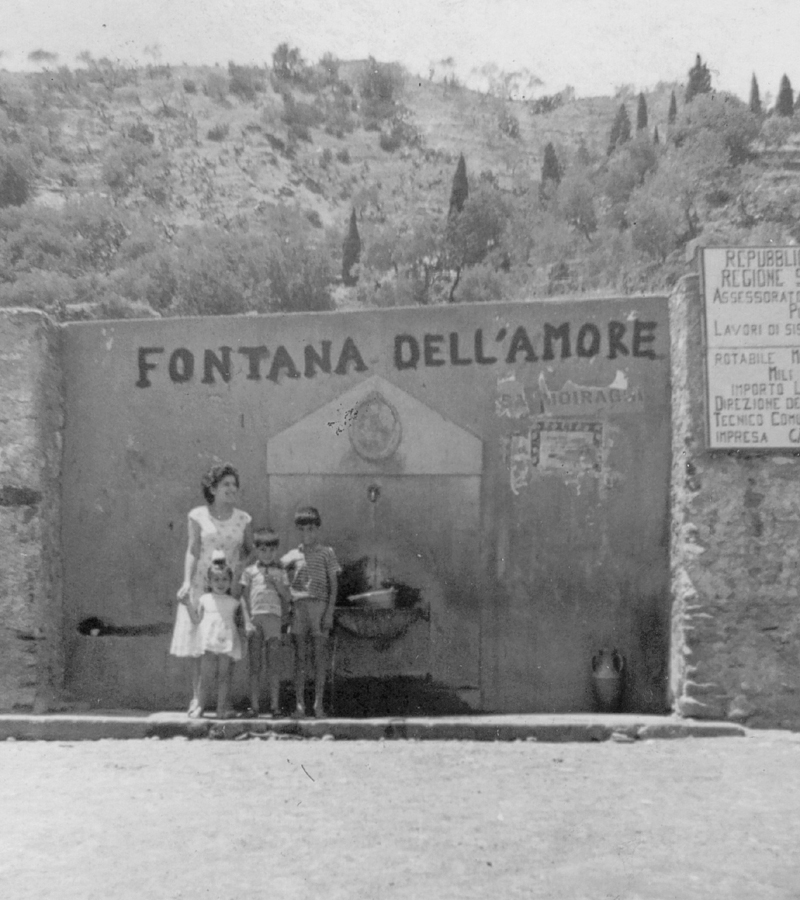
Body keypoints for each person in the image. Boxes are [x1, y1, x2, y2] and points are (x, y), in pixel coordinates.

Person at [170, 462, 253, 717]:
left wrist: (240, 568)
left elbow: (251, 551)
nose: (231, 489)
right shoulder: (198, 516)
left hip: (228, 588)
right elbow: (193, 550)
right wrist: (186, 581)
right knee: (200, 643)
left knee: (226, 644)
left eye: (234, 485)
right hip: (201, 585)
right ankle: (198, 700)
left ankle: (223, 702)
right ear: (213, 489)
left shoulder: (243, 519)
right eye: (226, 484)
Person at [282, 506, 340, 718]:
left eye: (312, 529)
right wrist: (286, 592)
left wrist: (329, 613)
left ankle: (318, 705)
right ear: (298, 531)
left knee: (319, 659)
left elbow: (333, 585)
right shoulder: (292, 556)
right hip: (299, 609)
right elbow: (276, 571)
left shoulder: (327, 553)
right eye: (303, 530)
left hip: (320, 608)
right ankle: (299, 705)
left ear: (318, 529)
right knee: (300, 659)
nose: (308, 534)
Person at [188, 556, 253, 719]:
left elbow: (239, 624)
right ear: (209, 581)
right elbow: (196, 620)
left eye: (224, 579)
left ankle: (221, 709)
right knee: (205, 676)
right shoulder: (204, 599)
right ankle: (200, 707)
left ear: (230, 581)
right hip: (209, 641)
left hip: (226, 642)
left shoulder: (233, 602)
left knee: (224, 676)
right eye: (216, 579)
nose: (220, 583)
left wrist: (244, 635)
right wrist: (187, 604)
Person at [240, 527, 291, 718]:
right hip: (256, 620)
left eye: (271, 550)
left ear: (276, 549)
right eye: (262, 550)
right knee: (255, 665)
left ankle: (274, 706)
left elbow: (287, 596)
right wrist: (247, 621)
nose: (267, 554)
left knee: (274, 665)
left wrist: (278, 584)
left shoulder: (281, 571)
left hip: (274, 620)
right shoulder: (250, 571)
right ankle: (254, 707)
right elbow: (244, 599)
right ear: (256, 549)